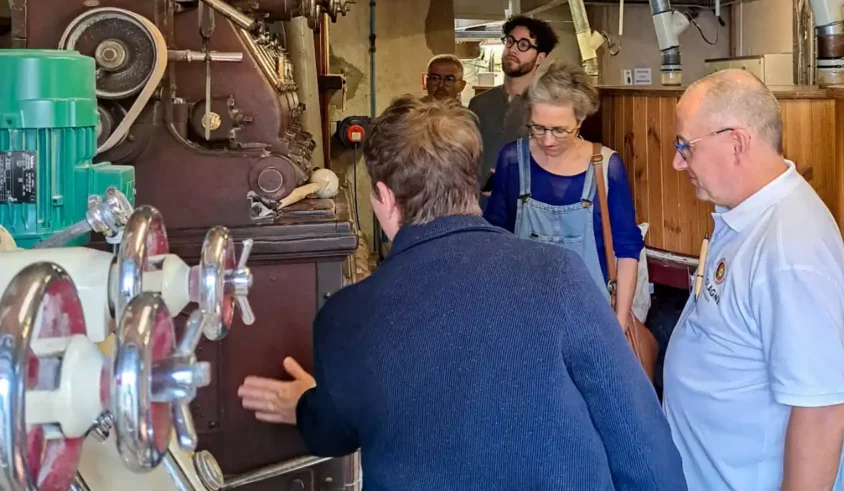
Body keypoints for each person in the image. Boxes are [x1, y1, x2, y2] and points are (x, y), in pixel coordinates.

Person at [237, 96, 687, 491]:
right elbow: (641, 440)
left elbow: (332, 431)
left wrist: (304, 405)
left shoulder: (347, 315)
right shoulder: (560, 276)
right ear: (472, 181)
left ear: (384, 199)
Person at [662, 69, 844, 491]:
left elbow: (821, 415)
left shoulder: (791, 249)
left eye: (685, 147)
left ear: (737, 142)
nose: (677, 161)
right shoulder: (746, 216)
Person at [484, 62, 643, 331]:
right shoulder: (513, 160)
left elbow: (627, 248)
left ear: (579, 121)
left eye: (559, 130)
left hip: (591, 313)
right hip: (524, 313)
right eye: (538, 128)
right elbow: (495, 237)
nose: (547, 141)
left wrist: (620, 318)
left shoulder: (604, 167)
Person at [469, 15, 558, 202]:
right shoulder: (479, 103)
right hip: (479, 210)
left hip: (529, 208)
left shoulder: (549, 105)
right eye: (510, 41)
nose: (512, 49)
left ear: (540, 57)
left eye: (524, 45)